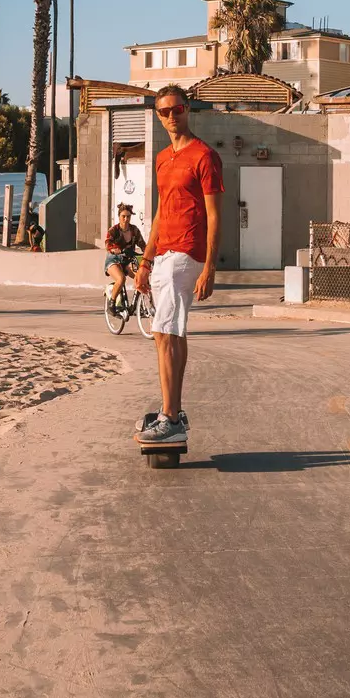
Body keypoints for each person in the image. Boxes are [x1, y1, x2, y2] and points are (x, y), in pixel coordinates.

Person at [134, 85, 222, 445]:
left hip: (186, 253)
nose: (172, 116)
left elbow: (215, 216)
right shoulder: (162, 158)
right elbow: (159, 212)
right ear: (158, 116)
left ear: (188, 110)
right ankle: (174, 409)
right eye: (164, 111)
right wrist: (145, 260)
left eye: (177, 109)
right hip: (163, 254)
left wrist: (210, 268)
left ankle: (170, 417)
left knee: (163, 333)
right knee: (171, 333)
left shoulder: (204, 156)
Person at [103, 203, 146, 306]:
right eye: (123, 216)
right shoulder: (114, 230)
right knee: (121, 279)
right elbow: (107, 243)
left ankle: (138, 305)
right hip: (114, 260)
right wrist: (114, 249)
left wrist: (149, 254)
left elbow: (143, 245)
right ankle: (111, 303)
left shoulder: (134, 230)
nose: (126, 219)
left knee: (140, 277)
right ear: (119, 217)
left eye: (128, 216)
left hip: (128, 260)